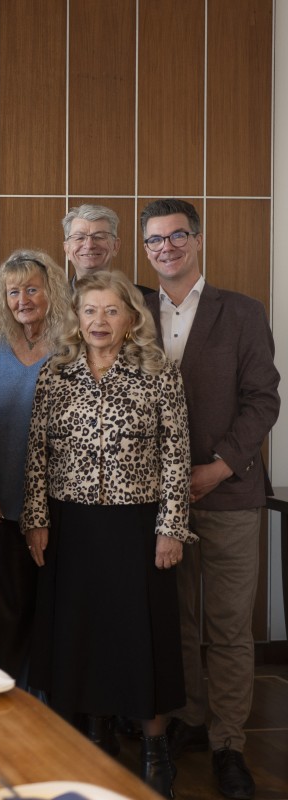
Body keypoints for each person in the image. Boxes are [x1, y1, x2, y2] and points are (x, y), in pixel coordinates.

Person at [22, 270, 193, 797]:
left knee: (141, 635)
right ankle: (92, 742)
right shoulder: (56, 372)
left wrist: (171, 527)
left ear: (131, 318)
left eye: (111, 311)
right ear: (75, 317)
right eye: (89, 311)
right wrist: (36, 519)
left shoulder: (158, 371)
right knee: (81, 634)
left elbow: (176, 454)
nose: (99, 321)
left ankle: (155, 749)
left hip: (137, 525)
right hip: (71, 524)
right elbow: (37, 452)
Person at [140, 199, 280, 800]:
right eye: (154, 241)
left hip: (228, 491)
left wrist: (218, 467)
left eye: (176, 236)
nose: (165, 248)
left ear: (197, 240)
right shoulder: (134, 309)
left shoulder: (243, 312)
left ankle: (229, 745)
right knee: (173, 621)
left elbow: (263, 399)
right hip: (152, 498)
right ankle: (189, 722)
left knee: (226, 627)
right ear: (144, 250)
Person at [0, 249, 72, 686]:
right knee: (5, 611)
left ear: (51, 290)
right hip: (0, 502)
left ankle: (51, 708)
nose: (23, 300)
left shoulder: (74, 345)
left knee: (54, 609)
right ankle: (3, 698)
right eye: (13, 292)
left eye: (32, 289)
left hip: (60, 503)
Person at [62, 203, 156, 295]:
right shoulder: (52, 301)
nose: (89, 245)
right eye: (79, 238)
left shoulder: (146, 300)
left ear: (115, 246)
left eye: (99, 237)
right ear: (67, 249)